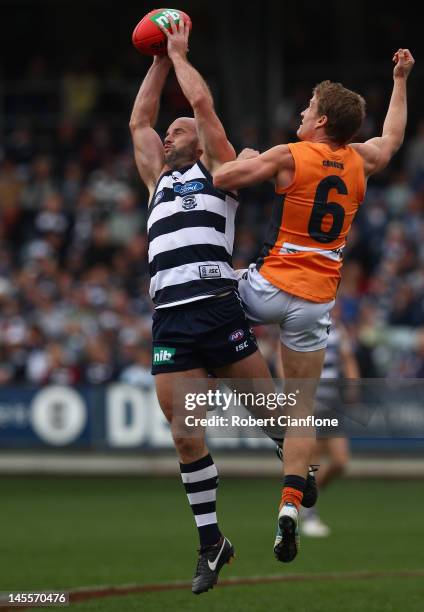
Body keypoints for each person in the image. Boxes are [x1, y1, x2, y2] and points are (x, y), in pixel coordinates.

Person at [214, 49, 415, 562]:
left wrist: (244, 157)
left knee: (204, 290)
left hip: (267, 285)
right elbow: (391, 139)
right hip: (314, 303)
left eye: (308, 107)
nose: (301, 112)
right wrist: (400, 80)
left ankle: (221, 373)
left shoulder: (289, 154)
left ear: (322, 120)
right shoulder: (360, 160)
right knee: (300, 408)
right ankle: (289, 505)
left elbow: (222, 181)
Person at [129, 16, 294, 594]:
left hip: (217, 308)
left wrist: (178, 53)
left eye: (178, 131)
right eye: (168, 133)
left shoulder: (219, 170)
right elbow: (139, 120)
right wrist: (155, 62)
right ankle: (211, 544)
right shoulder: (156, 183)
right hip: (172, 319)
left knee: (270, 414)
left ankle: (295, 465)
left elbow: (199, 102)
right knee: (184, 435)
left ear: (199, 138)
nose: (166, 136)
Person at [301, 310, 360, 537]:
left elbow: (347, 359)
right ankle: (309, 516)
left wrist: (354, 385)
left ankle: (306, 498)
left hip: (333, 403)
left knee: (340, 461)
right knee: (312, 462)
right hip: (310, 400)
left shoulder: (338, 328)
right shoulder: (304, 322)